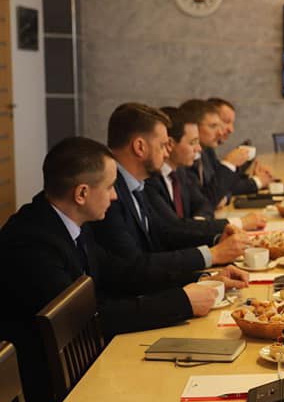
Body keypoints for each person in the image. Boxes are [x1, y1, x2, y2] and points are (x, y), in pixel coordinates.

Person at [0, 137, 248, 402]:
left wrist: (203, 278)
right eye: (109, 187)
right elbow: (84, 321)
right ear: (82, 193)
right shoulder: (33, 243)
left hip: (82, 368)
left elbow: (122, 271)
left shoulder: (69, 220)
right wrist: (182, 301)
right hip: (46, 401)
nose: (116, 196)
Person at [90, 103, 247, 274]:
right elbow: (133, 266)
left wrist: (216, 241)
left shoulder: (135, 183)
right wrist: (212, 255)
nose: (167, 153)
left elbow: (163, 233)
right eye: (162, 146)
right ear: (140, 147)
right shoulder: (108, 193)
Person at [144, 107, 266, 242]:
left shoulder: (179, 172)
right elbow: (174, 228)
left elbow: (203, 203)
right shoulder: (149, 180)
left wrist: (198, 227)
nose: (198, 148)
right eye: (193, 142)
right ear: (170, 144)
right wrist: (239, 223)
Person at [208, 97, 274, 194]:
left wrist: (255, 179)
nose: (231, 130)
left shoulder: (207, 151)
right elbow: (216, 191)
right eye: (226, 122)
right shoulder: (196, 155)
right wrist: (257, 181)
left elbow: (222, 184)